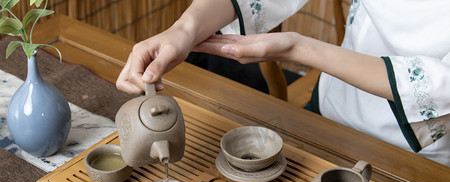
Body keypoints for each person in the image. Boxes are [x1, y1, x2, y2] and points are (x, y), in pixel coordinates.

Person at [116, 0, 450, 167]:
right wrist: (184, 29)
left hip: (421, 156)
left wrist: (299, 47)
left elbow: (441, 86)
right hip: (331, 110)